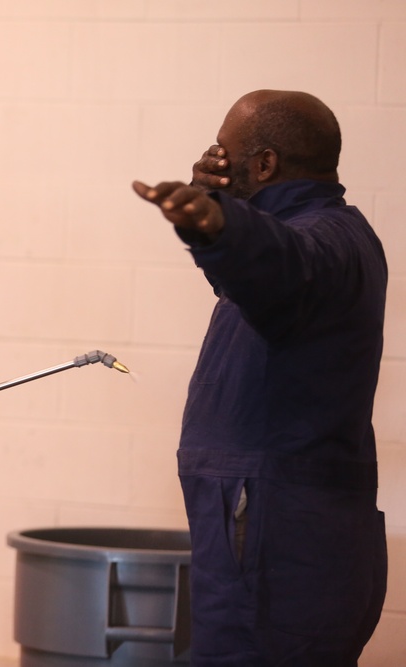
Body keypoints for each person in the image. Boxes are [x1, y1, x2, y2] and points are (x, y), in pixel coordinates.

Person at [132, 90, 387, 666]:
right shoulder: (341, 235)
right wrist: (222, 220)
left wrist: (224, 225)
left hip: (278, 535)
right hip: (289, 528)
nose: (212, 159)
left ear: (265, 164)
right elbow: (255, 281)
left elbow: (277, 261)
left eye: (226, 150)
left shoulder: (317, 242)